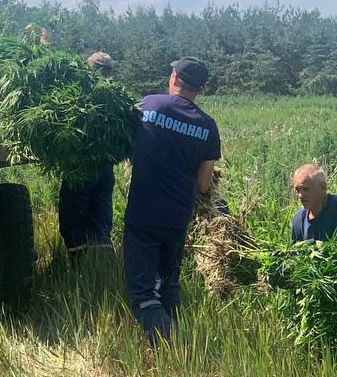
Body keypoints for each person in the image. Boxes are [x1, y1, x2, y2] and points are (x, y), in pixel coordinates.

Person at [123, 57, 220, 345]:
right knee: (168, 283)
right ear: (199, 88)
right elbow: (204, 184)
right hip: (178, 218)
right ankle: (173, 343)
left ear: (175, 78)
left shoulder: (148, 106)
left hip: (143, 213)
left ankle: (173, 344)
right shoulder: (207, 126)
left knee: (142, 293)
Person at [58, 52, 117, 259]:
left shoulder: (77, 96)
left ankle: (78, 269)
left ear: (88, 68)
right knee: (100, 221)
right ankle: (100, 268)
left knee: (73, 219)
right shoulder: (116, 98)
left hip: (80, 169)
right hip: (105, 170)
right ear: (108, 72)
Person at [290, 163, 337, 248]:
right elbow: (295, 255)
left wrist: (325, 248)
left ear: (323, 187)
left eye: (306, 189)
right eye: (297, 190)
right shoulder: (298, 219)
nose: (300, 196)